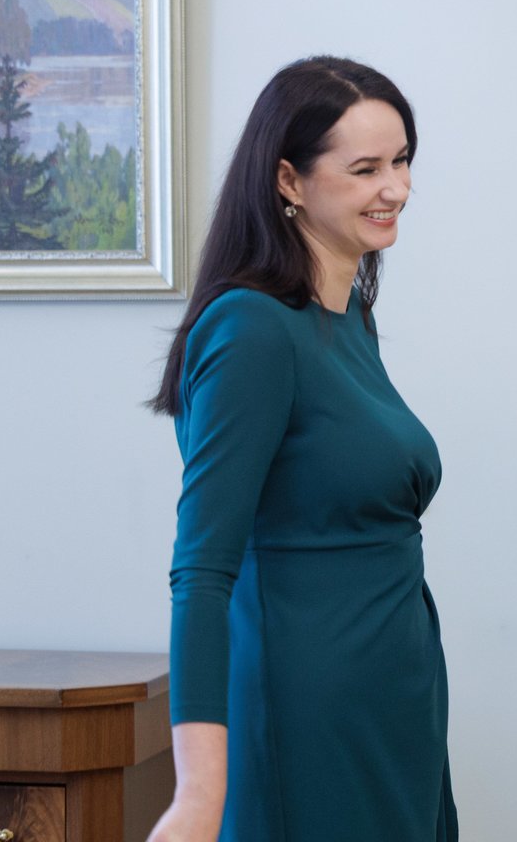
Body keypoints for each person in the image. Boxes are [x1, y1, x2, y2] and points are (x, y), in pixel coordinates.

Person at [146, 57, 457, 841]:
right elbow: (202, 571)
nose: (396, 188)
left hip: (395, 697)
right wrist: (198, 791)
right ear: (289, 179)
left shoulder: (349, 317)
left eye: (402, 161)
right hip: (307, 707)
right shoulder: (251, 330)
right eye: (365, 169)